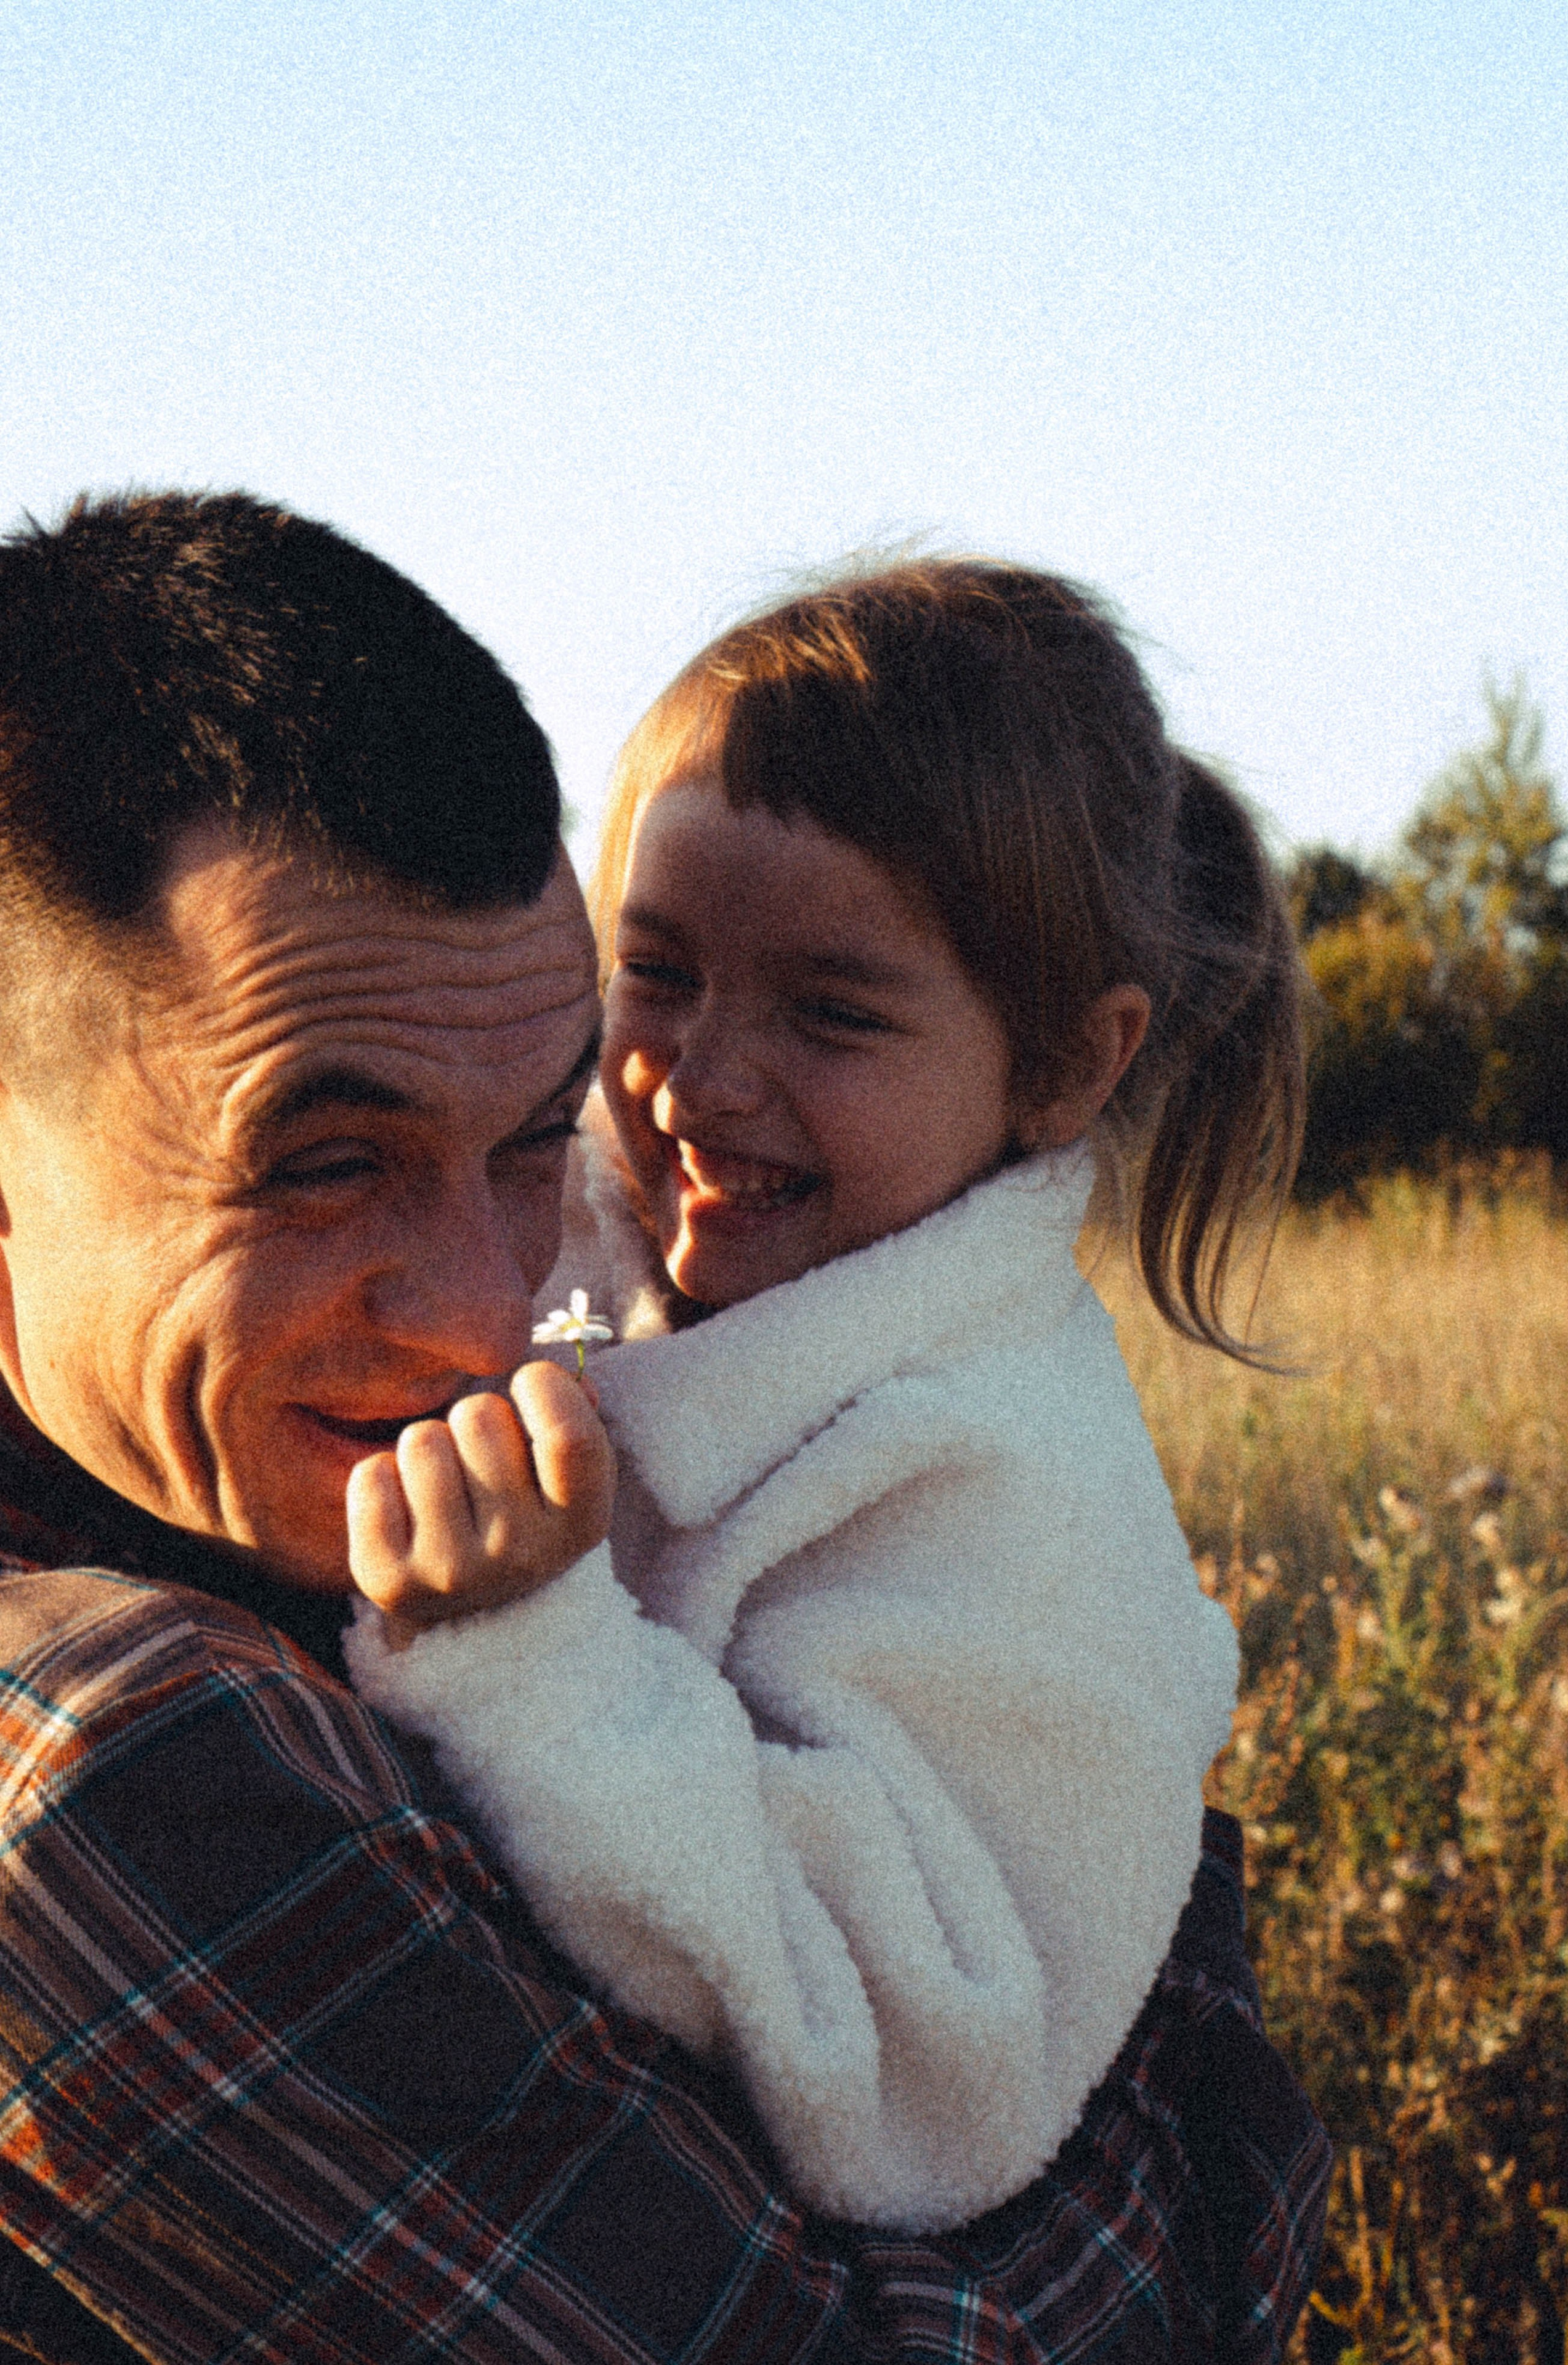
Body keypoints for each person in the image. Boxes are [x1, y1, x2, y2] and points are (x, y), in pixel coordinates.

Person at [0, 494, 1331, 2365]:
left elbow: (940, 2037)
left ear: (1071, 1062)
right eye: (320, 1164)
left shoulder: (971, 1477)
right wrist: (1206, 2109)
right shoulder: (124, 1772)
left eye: (543, 1134)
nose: (484, 1317)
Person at [344, 562, 1308, 2239]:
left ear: (1071, 1065)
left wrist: (534, 1663)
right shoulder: (597, 1243)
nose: (701, 1077)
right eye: (655, 971)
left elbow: (940, 2074)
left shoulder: (1005, 1489)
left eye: (833, 1011)